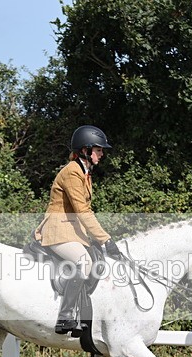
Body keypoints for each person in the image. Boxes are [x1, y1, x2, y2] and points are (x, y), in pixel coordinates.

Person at [34, 125, 123, 335]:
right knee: (84, 263)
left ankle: (84, 320)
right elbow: (82, 210)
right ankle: (65, 317)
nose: (102, 154)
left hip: (73, 232)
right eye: (99, 149)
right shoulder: (72, 173)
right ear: (85, 150)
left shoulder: (85, 173)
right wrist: (105, 240)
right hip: (58, 231)